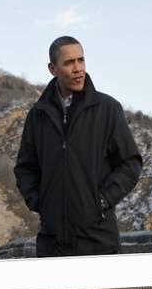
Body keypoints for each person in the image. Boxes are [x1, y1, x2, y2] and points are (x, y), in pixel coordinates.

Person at [14, 36, 142, 257]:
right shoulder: (38, 115)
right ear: (52, 69)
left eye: (81, 60)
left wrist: (101, 200)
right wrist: (42, 202)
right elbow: (25, 168)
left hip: (99, 242)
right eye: (69, 62)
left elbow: (130, 163)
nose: (78, 69)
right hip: (52, 244)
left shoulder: (108, 109)